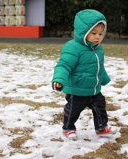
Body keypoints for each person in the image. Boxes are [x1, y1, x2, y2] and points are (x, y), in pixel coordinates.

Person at [52, 9, 112, 139]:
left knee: (100, 107)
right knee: (73, 110)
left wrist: (104, 79)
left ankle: (101, 127)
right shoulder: (73, 47)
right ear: (83, 32)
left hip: (94, 88)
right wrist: (59, 79)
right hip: (77, 89)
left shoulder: (98, 49)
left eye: (101, 34)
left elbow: (98, 66)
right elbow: (64, 65)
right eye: (94, 33)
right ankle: (68, 127)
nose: (98, 37)